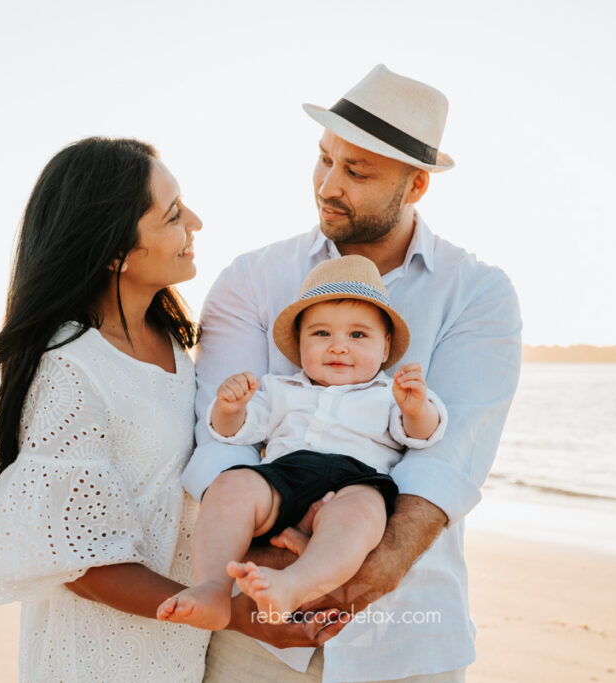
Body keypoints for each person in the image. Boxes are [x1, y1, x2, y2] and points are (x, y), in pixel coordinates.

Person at [183, 64, 522, 682]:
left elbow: (449, 455)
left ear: (415, 185)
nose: (328, 185)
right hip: (255, 639)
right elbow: (219, 443)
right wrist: (267, 572)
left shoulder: (478, 293)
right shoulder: (252, 279)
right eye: (324, 159)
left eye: (357, 171)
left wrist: (365, 567)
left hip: (408, 632)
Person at [0, 137, 213, 681]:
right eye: (172, 215)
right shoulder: (69, 364)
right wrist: (235, 613)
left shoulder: (174, 342)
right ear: (115, 254)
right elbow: (81, 560)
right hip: (98, 656)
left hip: (179, 644)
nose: (195, 220)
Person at [158, 255, 447, 629]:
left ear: (386, 347)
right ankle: (213, 588)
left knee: (362, 516)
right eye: (321, 334)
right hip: (284, 476)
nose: (339, 347)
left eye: (358, 335)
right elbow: (235, 433)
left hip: (356, 483)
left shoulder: (389, 394)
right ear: (299, 344)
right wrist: (230, 408)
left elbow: (425, 436)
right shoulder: (281, 389)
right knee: (230, 484)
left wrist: (416, 408)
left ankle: (292, 586)